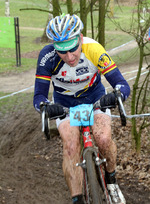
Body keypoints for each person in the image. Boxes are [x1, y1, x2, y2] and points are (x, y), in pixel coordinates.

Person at [33, 14, 130, 204]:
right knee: (70, 147)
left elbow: (121, 83)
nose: (69, 57)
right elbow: (39, 96)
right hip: (64, 103)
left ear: (80, 38)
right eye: (62, 51)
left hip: (95, 97)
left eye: (73, 49)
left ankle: (111, 181)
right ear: (54, 46)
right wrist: (45, 107)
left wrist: (118, 94)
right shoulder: (47, 57)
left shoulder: (93, 48)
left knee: (103, 138)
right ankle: (77, 199)